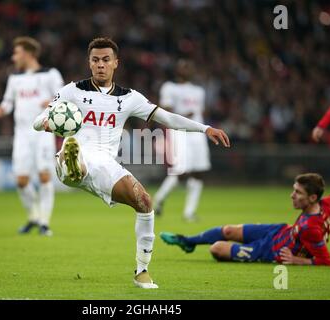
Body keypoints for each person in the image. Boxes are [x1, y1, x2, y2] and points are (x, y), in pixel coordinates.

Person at [33, 37, 230, 288]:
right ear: (89, 63)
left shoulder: (129, 98)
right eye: (95, 60)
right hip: (76, 155)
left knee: (145, 203)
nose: (100, 65)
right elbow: (38, 120)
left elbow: (167, 118)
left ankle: (142, 271)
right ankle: (73, 166)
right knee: (76, 155)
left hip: (105, 165)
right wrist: (46, 123)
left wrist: (205, 128)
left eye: (106, 60)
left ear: (116, 63)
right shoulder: (72, 91)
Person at [161, 173, 330, 266]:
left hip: (272, 250)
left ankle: (247, 249)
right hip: (279, 231)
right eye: (294, 190)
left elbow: (325, 260)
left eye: (298, 193)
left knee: (217, 248)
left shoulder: (310, 228)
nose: (292, 195)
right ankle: (187, 241)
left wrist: (297, 260)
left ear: (312, 198)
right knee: (228, 230)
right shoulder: (325, 204)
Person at [0, 37, 64, 236]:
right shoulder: (14, 78)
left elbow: (63, 98)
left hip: (43, 131)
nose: (13, 56)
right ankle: (33, 216)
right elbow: (8, 101)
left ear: (29, 54)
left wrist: (51, 102)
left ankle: (44, 222)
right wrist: (2, 108)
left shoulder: (50, 74)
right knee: (21, 180)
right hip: (22, 135)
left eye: (17, 52)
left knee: (44, 175)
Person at [153, 59, 211, 221]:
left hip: (197, 133)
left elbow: (201, 111)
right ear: (177, 70)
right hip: (179, 132)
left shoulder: (199, 91)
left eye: (189, 65)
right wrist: (185, 117)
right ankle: (159, 198)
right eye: (183, 66)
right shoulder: (169, 87)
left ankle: (189, 212)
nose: (187, 68)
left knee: (199, 172)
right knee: (181, 171)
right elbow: (166, 111)